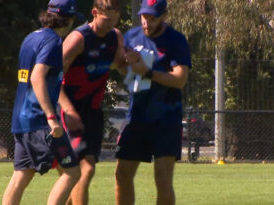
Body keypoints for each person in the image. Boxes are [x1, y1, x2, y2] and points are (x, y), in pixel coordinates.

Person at [57, 0, 137, 204]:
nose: (110, 25)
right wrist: (67, 110)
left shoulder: (115, 36)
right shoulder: (78, 39)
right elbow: (53, 79)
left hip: (93, 111)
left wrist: (130, 61)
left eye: (115, 20)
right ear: (94, 13)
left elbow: (120, 67)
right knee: (85, 169)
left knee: (82, 170)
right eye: (106, 20)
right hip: (70, 111)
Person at [2, 1, 82, 205]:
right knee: (72, 173)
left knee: (21, 176)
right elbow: (36, 77)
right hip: (39, 121)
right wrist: (51, 117)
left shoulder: (31, 38)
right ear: (69, 18)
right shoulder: (53, 41)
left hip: (21, 121)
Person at [115, 0, 192, 205]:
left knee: (163, 178)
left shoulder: (176, 40)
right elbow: (123, 70)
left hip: (166, 119)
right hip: (136, 117)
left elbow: (179, 79)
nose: (147, 22)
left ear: (163, 16)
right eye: (144, 16)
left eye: (153, 17)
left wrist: (147, 72)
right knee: (122, 175)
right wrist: (125, 63)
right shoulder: (131, 36)